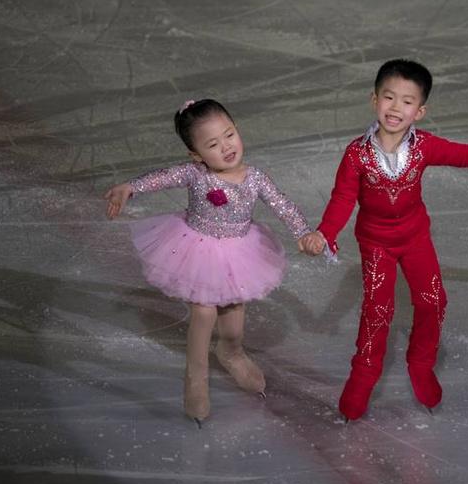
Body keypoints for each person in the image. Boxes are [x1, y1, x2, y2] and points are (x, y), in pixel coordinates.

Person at [302, 59, 468, 421]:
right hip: (376, 245)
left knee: (433, 300)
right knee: (377, 312)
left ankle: (421, 364)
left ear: (420, 111)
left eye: (406, 101)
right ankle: (364, 375)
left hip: (415, 238)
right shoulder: (356, 154)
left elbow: (466, 155)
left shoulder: (425, 147)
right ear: (374, 100)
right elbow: (342, 199)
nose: (395, 108)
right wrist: (325, 234)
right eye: (389, 97)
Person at [104, 99, 321, 427]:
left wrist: (303, 233)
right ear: (197, 155)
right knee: (204, 311)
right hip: (198, 249)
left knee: (233, 315)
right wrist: (129, 188)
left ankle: (231, 352)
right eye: (213, 144)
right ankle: (196, 377)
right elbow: (162, 177)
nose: (226, 146)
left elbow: (283, 205)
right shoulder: (195, 173)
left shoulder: (255, 177)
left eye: (229, 135)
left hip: (239, 251)